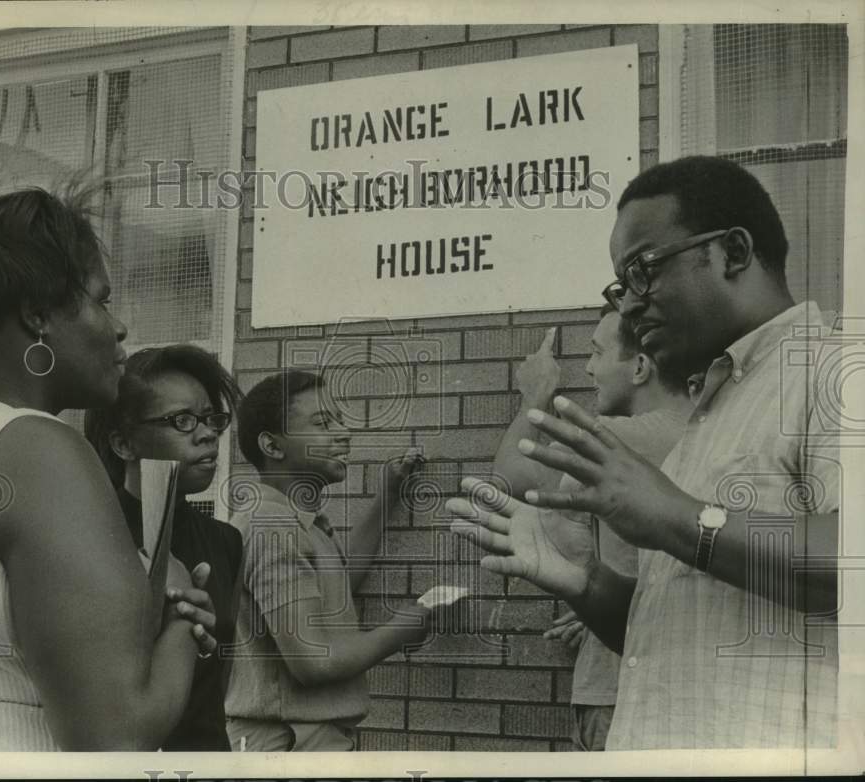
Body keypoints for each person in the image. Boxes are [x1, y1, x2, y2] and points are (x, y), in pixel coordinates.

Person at [451, 155, 841, 749]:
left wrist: (675, 519)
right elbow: (663, 643)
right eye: (621, 283)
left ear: (733, 252)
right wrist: (587, 583)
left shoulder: (831, 368)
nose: (629, 305)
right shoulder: (711, 409)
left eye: (644, 270)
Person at [0, 188, 217, 751]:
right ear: (37, 312)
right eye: (100, 300)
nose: (119, 330)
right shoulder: (40, 450)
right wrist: (184, 611)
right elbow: (114, 735)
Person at [492, 306, 691, 750]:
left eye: (598, 353)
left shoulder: (623, 439)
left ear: (640, 367)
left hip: (617, 690)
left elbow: (511, 476)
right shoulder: (705, 433)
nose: (588, 368)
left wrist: (536, 394)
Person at [224, 370, 432, 751]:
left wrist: (388, 496)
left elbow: (335, 587)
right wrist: (403, 629)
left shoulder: (293, 521)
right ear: (272, 445)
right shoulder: (273, 527)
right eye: (322, 423)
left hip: (299, 740)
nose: (344, 433)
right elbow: (313, 662)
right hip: (291, 744)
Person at [84, 344, 243, 751]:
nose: (208, 434)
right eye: (182, 420)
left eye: (211, 418)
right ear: (124, 444)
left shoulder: (225, 540)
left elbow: (217, 677)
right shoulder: (87, 533)